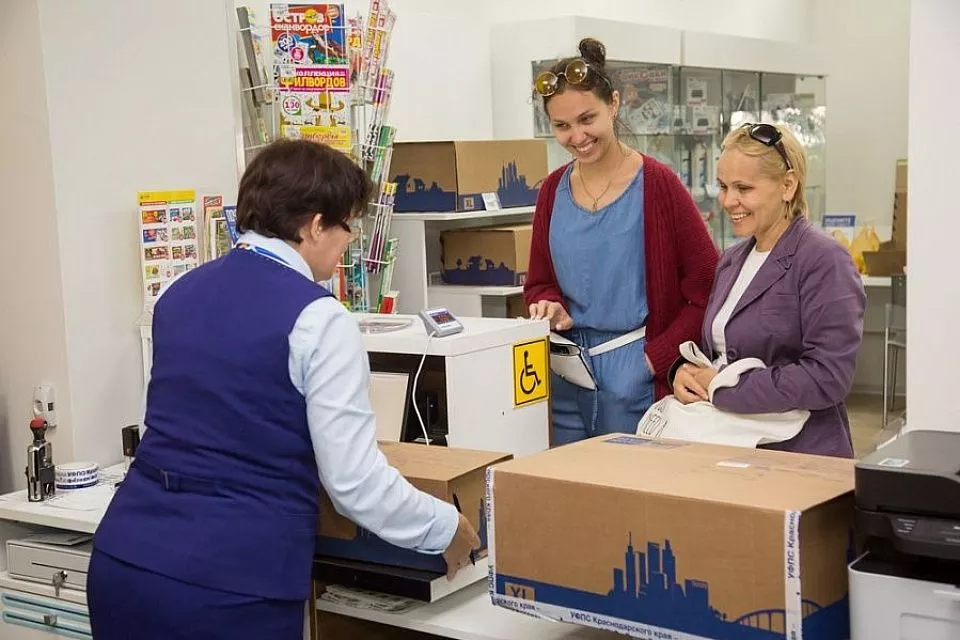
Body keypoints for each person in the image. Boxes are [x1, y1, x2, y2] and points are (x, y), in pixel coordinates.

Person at [87, 140, 481, 639]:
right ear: (315, 226)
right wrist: (447, 527)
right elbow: (355, 485)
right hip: (229, 584)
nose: (350, 242)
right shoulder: (319, 318)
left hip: (126, 561)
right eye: (347, 226)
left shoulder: (178, 293)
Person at [524, 38, 719, 446]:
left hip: (636, 376)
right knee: (566, 479)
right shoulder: (552, 192)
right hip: (565, 372)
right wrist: (548, 304)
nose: (577, 136)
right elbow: (539, 282)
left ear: (613, 104)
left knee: (629, 484)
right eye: (562, 126)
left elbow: (707, 291)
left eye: (587, 119)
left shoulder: (659, 186)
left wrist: (654, 359)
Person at [670, 123, 866, 458]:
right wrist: (683, 373)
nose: (728, 201)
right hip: (731, 444)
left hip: (797, 453)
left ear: (788, 185)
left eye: (744, 188)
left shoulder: (823, 259)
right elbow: (718, 351)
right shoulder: (732, 260)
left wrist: (723, 386)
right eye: (723, 186)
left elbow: (827, 376)